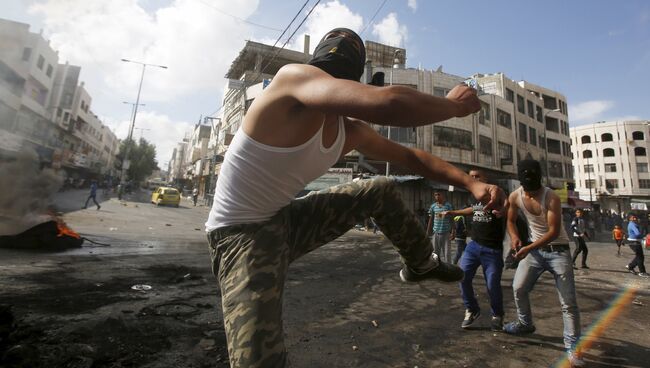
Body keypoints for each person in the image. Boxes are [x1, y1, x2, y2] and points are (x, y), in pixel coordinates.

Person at [203, 28, 506, 368]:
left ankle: (421, 263)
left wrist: (470, 182)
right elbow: (388, 103)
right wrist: (452, 106)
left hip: (285, 220)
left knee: (377, 189)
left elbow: (414, 159)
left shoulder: (349, 131)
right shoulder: (292, 80)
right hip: (239, 238)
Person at [503, 159, 584, 367]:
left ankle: (573, 348)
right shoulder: (516, 195)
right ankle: (525, 323)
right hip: (534, 252)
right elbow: (510, 221)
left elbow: (553, 232)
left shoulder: (551, 197)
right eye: (526, 184)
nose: (529, 192)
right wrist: (514, 238)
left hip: (558, 251)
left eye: (532, 183)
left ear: (539, 177)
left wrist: (527, 248)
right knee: (518, 287)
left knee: (568, 303)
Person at [444, 169, 507, 331]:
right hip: (473, 246)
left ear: (485, 177)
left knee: (492, 285)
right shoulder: (472, 194)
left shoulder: (496, 191)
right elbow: (472, 209)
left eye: (477, 176)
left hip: (492, 249)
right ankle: (472, 309)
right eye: (471, 176)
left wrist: (502, 212)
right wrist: (453, 212)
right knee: (462, 277)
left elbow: (508, 205)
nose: (473, 179)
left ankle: (497, 315)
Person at [426, 191, 454, 262]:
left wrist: (453, 231)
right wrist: (427, 232)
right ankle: (436, 269)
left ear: (443, 195)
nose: (437, 196)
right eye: (435, 195)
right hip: (435, 233)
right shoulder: (433, 206)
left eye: (439, 194)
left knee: (447, 254)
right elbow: (430, 219)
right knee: (435, 254)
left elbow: (451, 219)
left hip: (446, 234)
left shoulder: (448, 206)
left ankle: (449, 270)